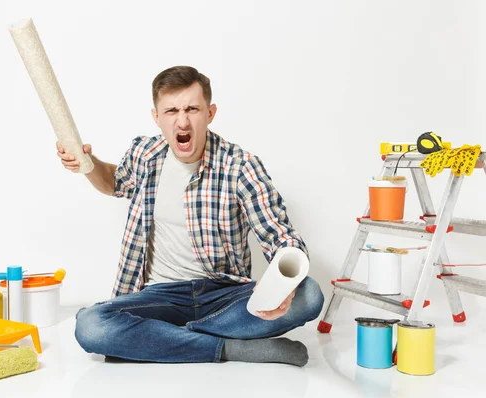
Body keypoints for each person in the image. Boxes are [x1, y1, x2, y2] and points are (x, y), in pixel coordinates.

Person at [57, 66, 324, 366]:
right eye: (171, 110)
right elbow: (113, 181)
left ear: (210, 113)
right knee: (91, 324)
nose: (182, 120)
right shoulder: (144, 154)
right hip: (158, 296)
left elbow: (282, 236)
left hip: (224, 296)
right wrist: (86, 161)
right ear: (157, 117)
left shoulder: (240, 166)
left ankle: (163, 340)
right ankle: (230, 348)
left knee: (309, 295)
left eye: (192, 109)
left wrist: (282, 283)